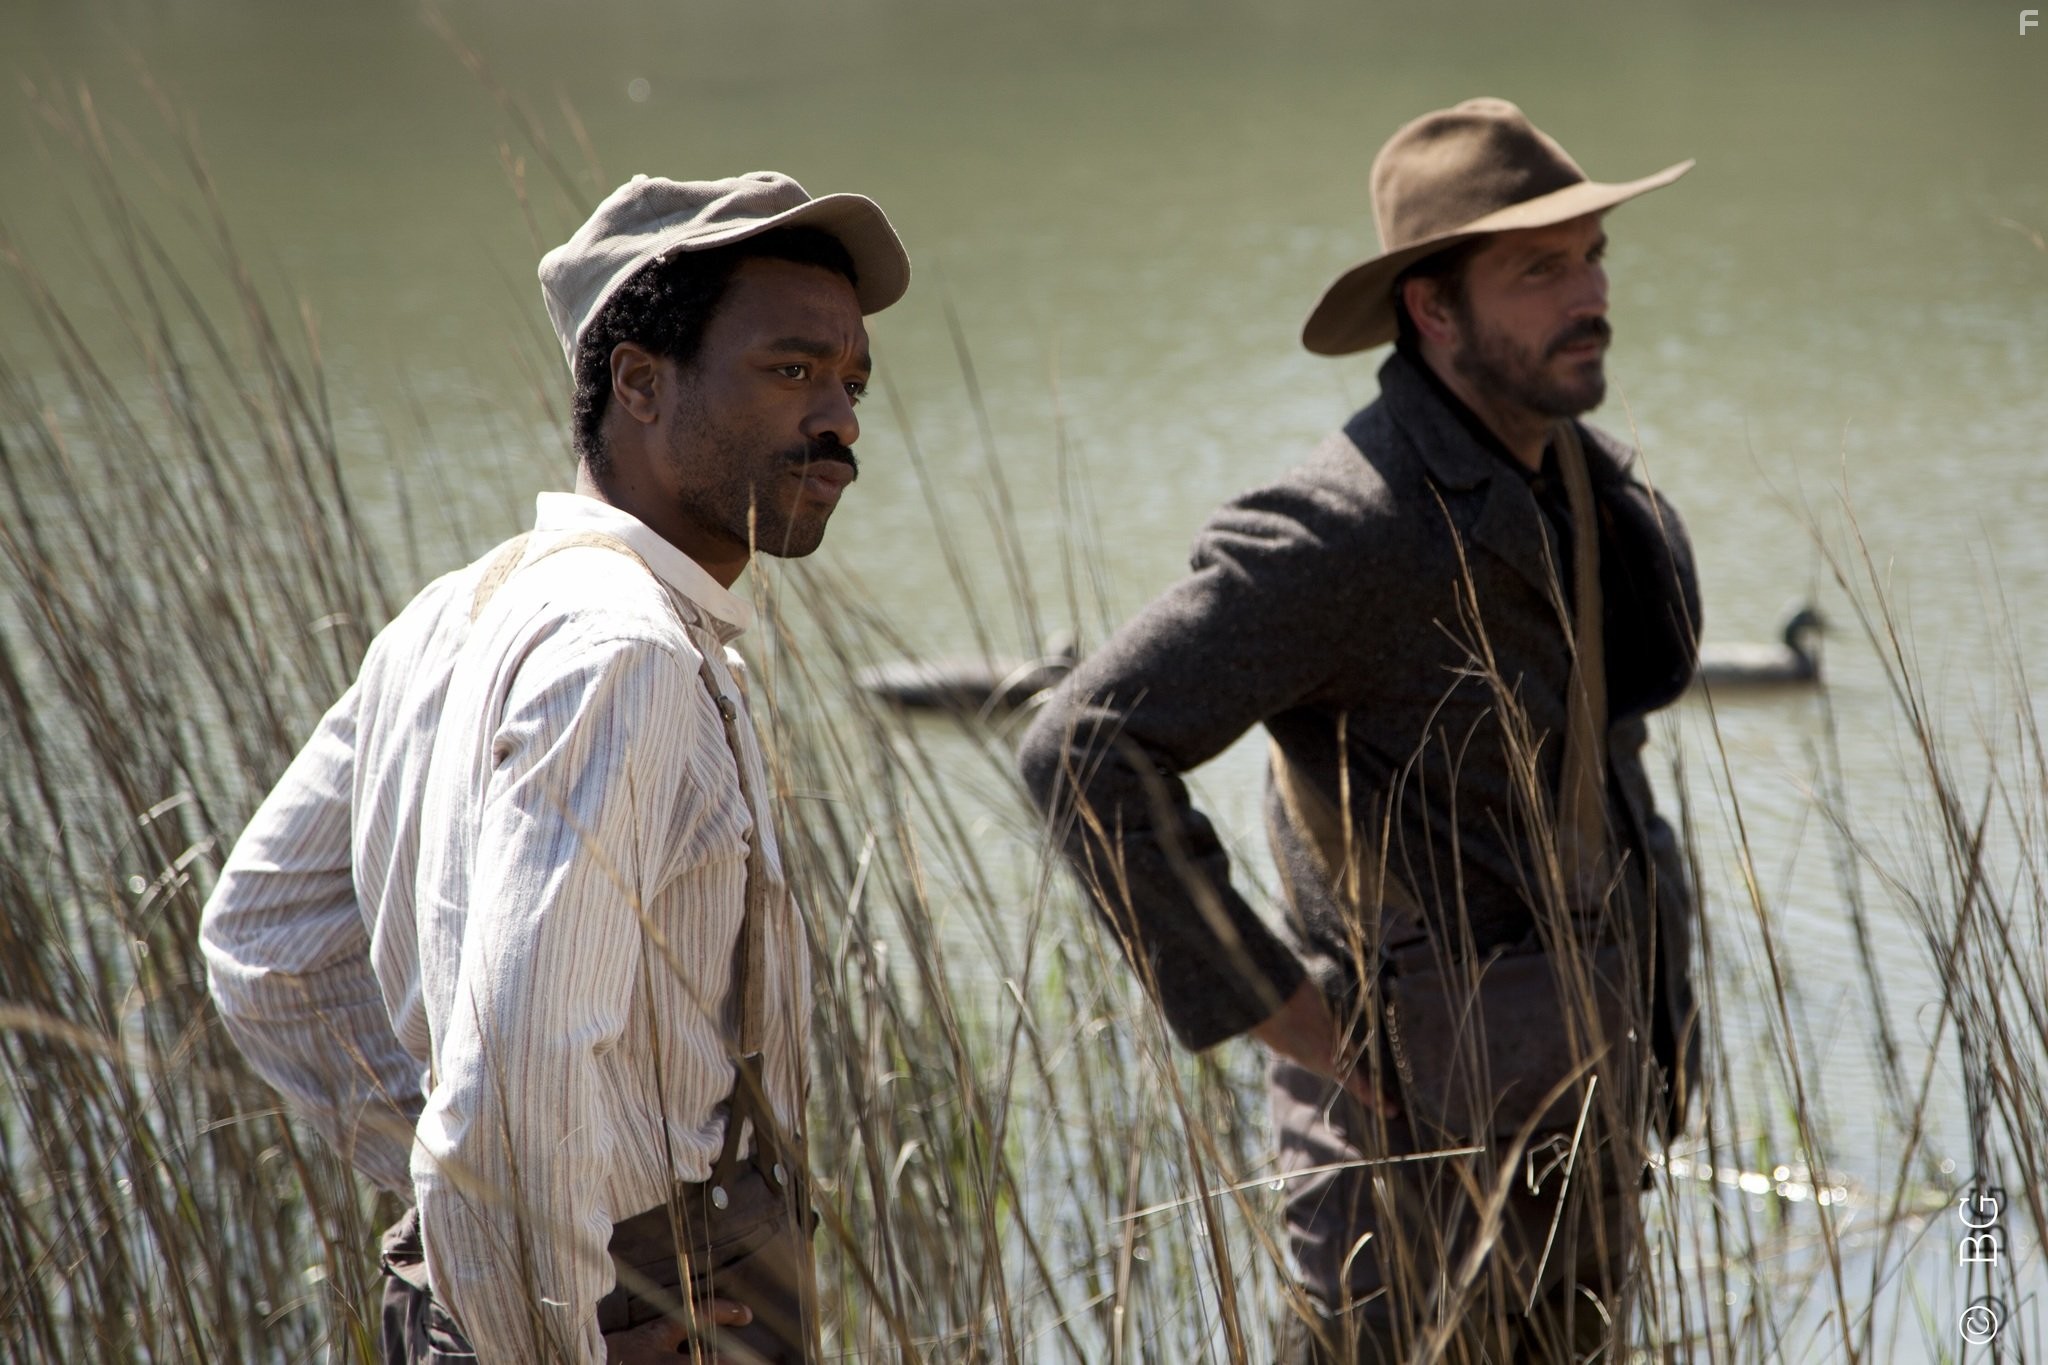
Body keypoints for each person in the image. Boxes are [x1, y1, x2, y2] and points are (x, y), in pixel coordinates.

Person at [1017, 99, 1702, 1363]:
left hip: (1581, 1129)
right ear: (1432, 311)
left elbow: (1612, 774)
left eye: (1594, 253)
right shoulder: (1343, 526)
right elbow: (1081, 747)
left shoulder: (1593, 487)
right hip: (1407, 1178)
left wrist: (1658, 1034)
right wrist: (1279, 1011)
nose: (1588, 291)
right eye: (1539, 267)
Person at [201, 171, 909, 1364]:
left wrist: (449, 1191)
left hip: (541, 1296)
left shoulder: (451, 612)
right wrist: (556, 1312)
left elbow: (263, 942)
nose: (838, 419)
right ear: (638, 382)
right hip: (629, 1313)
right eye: (790, 371)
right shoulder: (621, 651)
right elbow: (519, 1056)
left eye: (851, 381)